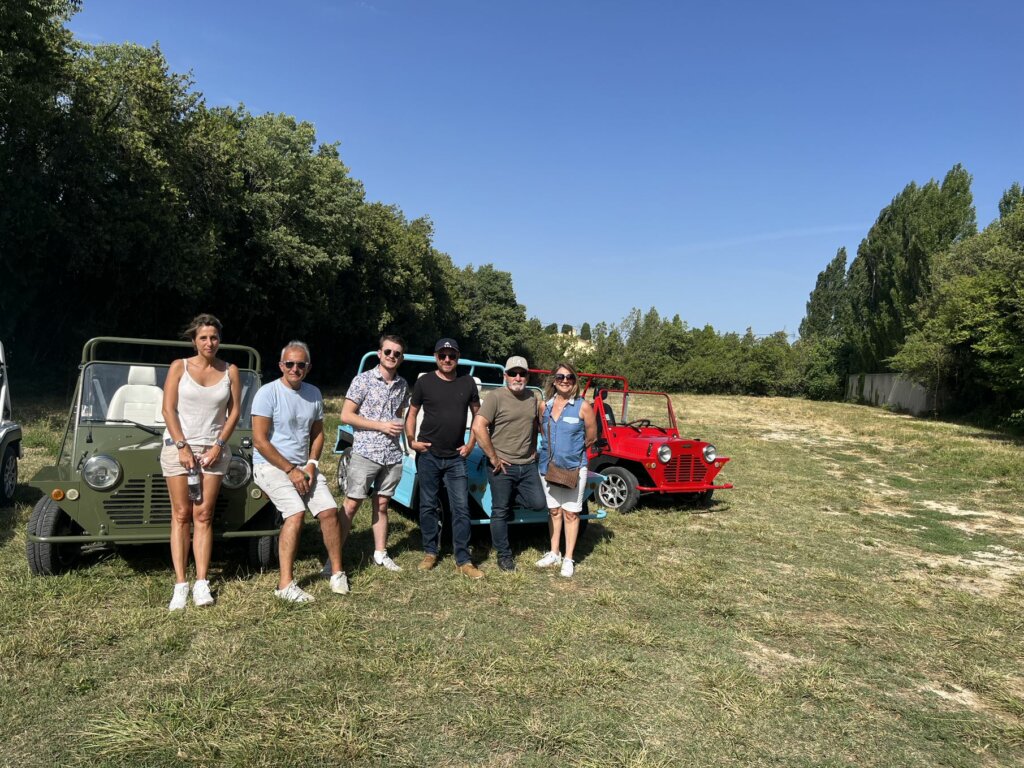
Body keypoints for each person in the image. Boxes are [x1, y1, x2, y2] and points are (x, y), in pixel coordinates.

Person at [251, 341, 347, 602]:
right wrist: (290, 470)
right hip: (269, 466)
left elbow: (318, 434)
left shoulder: (314, 393)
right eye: (290, 364)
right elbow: (260, 440)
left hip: (302, 467)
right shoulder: (267, 393)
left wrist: (312, 464)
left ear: (308, 367)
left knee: (328, 511)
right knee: (295, 512)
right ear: (281, 365)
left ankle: (336, 571)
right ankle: (285, 585)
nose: (295, 369)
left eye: (300, 364)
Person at [161, 313, 242, 611]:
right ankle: (180, 584)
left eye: (214, 337)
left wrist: (219, 445)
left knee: (204, 515)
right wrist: (182, 446)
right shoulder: (178, 367)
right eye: (204, 337)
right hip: (179, 448)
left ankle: (201, 582)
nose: (210, 342)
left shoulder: (230, 370)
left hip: (214, 450)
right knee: (181, 514)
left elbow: (234, 412)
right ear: (194, 340)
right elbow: (168, 410)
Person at [405, 338, 482, 578]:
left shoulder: (467, 382)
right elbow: (412, 413)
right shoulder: (424, 382)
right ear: (436, 356)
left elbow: (478, 417)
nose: (447, 359)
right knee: (427, 505)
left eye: (451, 355)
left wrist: (471, 443)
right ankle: (430, 552)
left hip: (456, 458)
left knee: (461, 508)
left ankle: (463, 559)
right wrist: (411, 440)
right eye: (442, 355)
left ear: (457, 357)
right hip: (428, 454)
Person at [339, 334, 410, 572]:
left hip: (392, 455)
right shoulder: (363, 380)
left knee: (381, 505)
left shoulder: (403, 385)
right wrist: (381, 425)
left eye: (397, 353)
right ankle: (334, 557)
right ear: (379, 353)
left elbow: (400, 414)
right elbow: (346, 415)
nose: (391, 356)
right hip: (366, 452)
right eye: (387, 352)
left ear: (401, 358)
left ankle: (381, 553)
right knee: (351, 504)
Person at [471, 355, 546, 572]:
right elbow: (478, 427)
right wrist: (493, 457)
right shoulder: (495, 397)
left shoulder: (532, 398)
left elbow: (536, 425)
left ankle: (510, 496)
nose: (518, 377)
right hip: (502, 465)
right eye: (513, 373)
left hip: (528, 464)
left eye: (522, 373)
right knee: (500, 511)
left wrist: (535, 450)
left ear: (527, 376)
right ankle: (504, 556)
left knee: (539, 504)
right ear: (505, 376)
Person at [536, 362, 597, 578]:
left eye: (569, 377)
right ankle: (554, 553)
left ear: (574, 381)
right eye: (560, 377)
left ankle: (568, 558)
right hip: (547, 466)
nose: (565, 380)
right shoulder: (544, 406)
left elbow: (591, 437)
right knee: (554, 511)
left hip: (573, 468)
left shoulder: (583, 406)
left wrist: (571, 453)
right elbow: (542, 431)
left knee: (571, 513)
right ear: (554, 380)